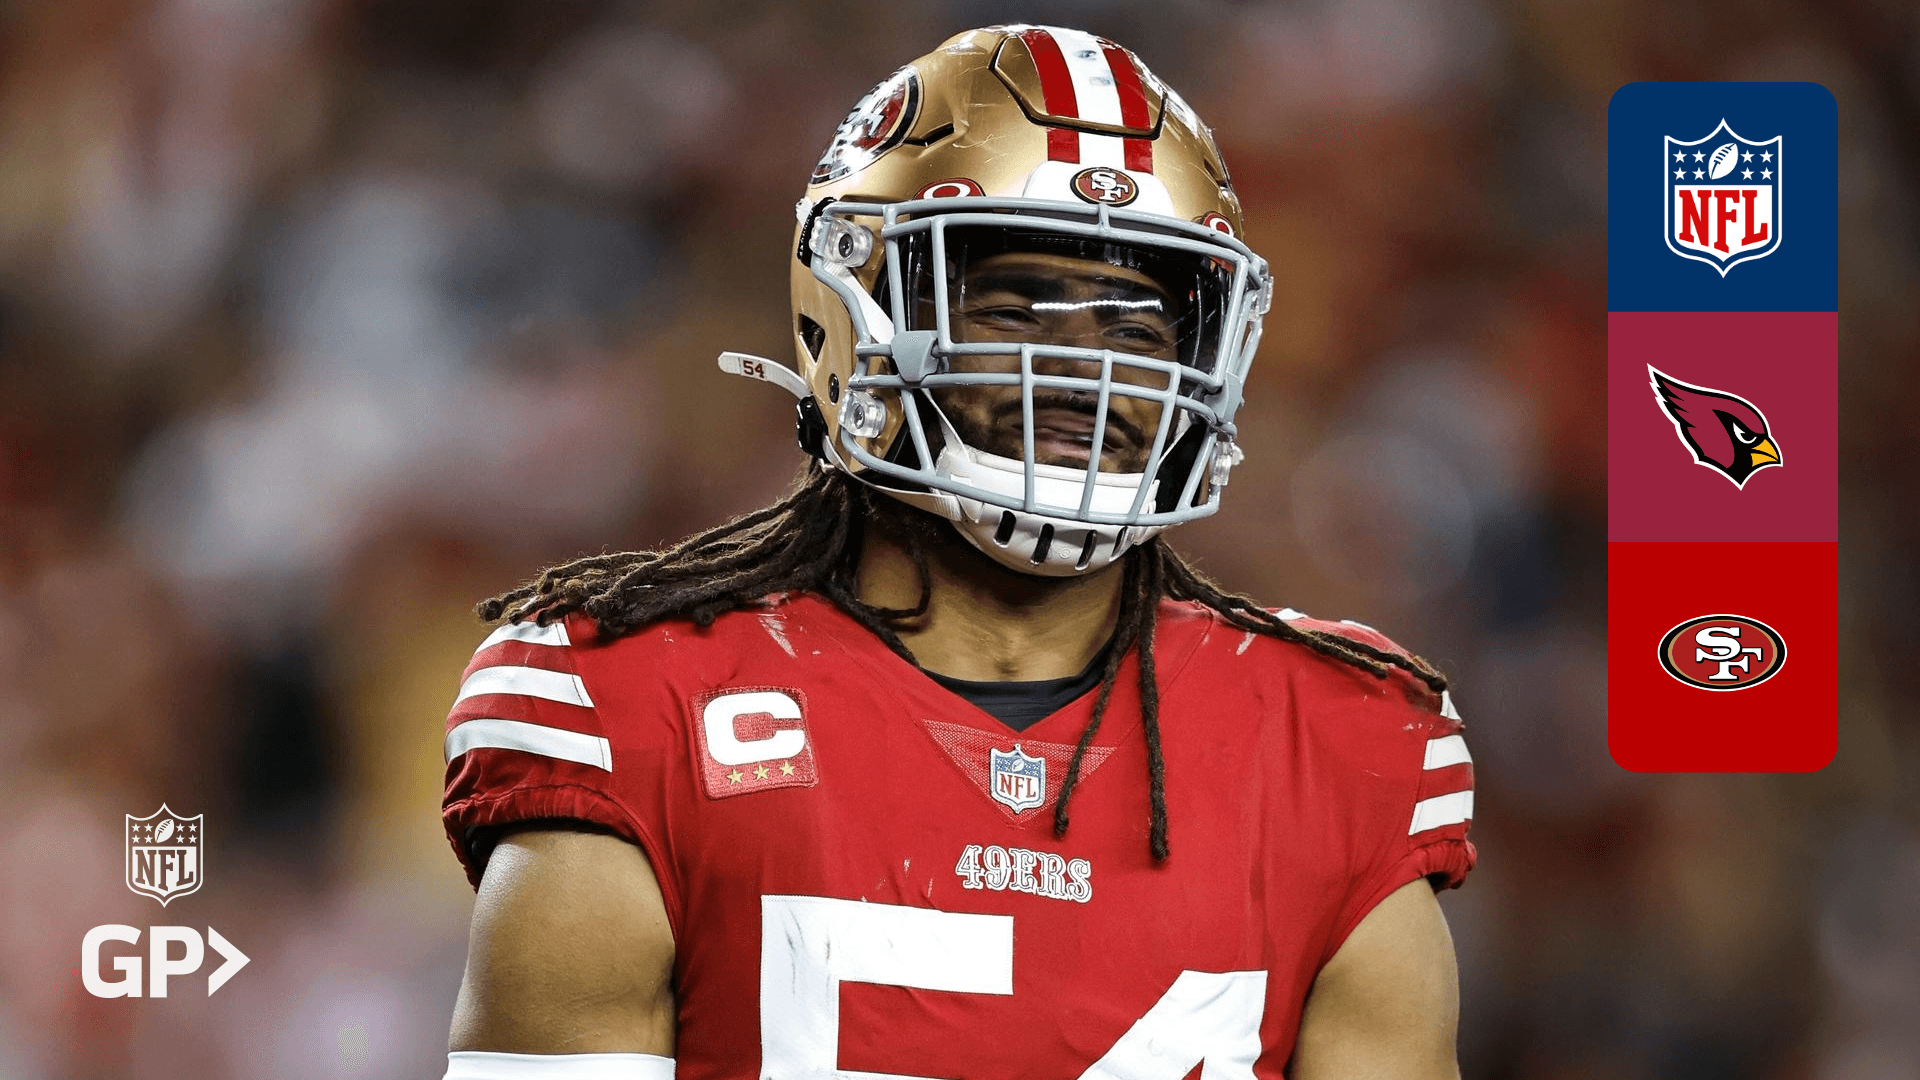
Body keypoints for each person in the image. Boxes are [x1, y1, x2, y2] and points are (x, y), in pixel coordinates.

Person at [441, 24, 1475, 1080]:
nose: (1083, 372)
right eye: (1016, 308)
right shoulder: (630, 703)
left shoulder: (1340, 742)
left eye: (1137, 329)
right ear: (859, 312)